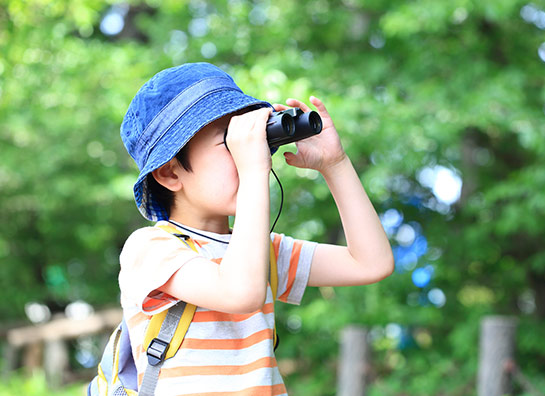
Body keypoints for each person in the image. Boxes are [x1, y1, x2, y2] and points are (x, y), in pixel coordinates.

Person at [118, 62, 394, 395]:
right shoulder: (149, 249)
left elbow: (371, 263)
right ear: (169, 173)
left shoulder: (260, 251)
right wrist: (251, 172)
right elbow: (240, 292)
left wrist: (335, 164)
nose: (253, 155)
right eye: (230, 144)